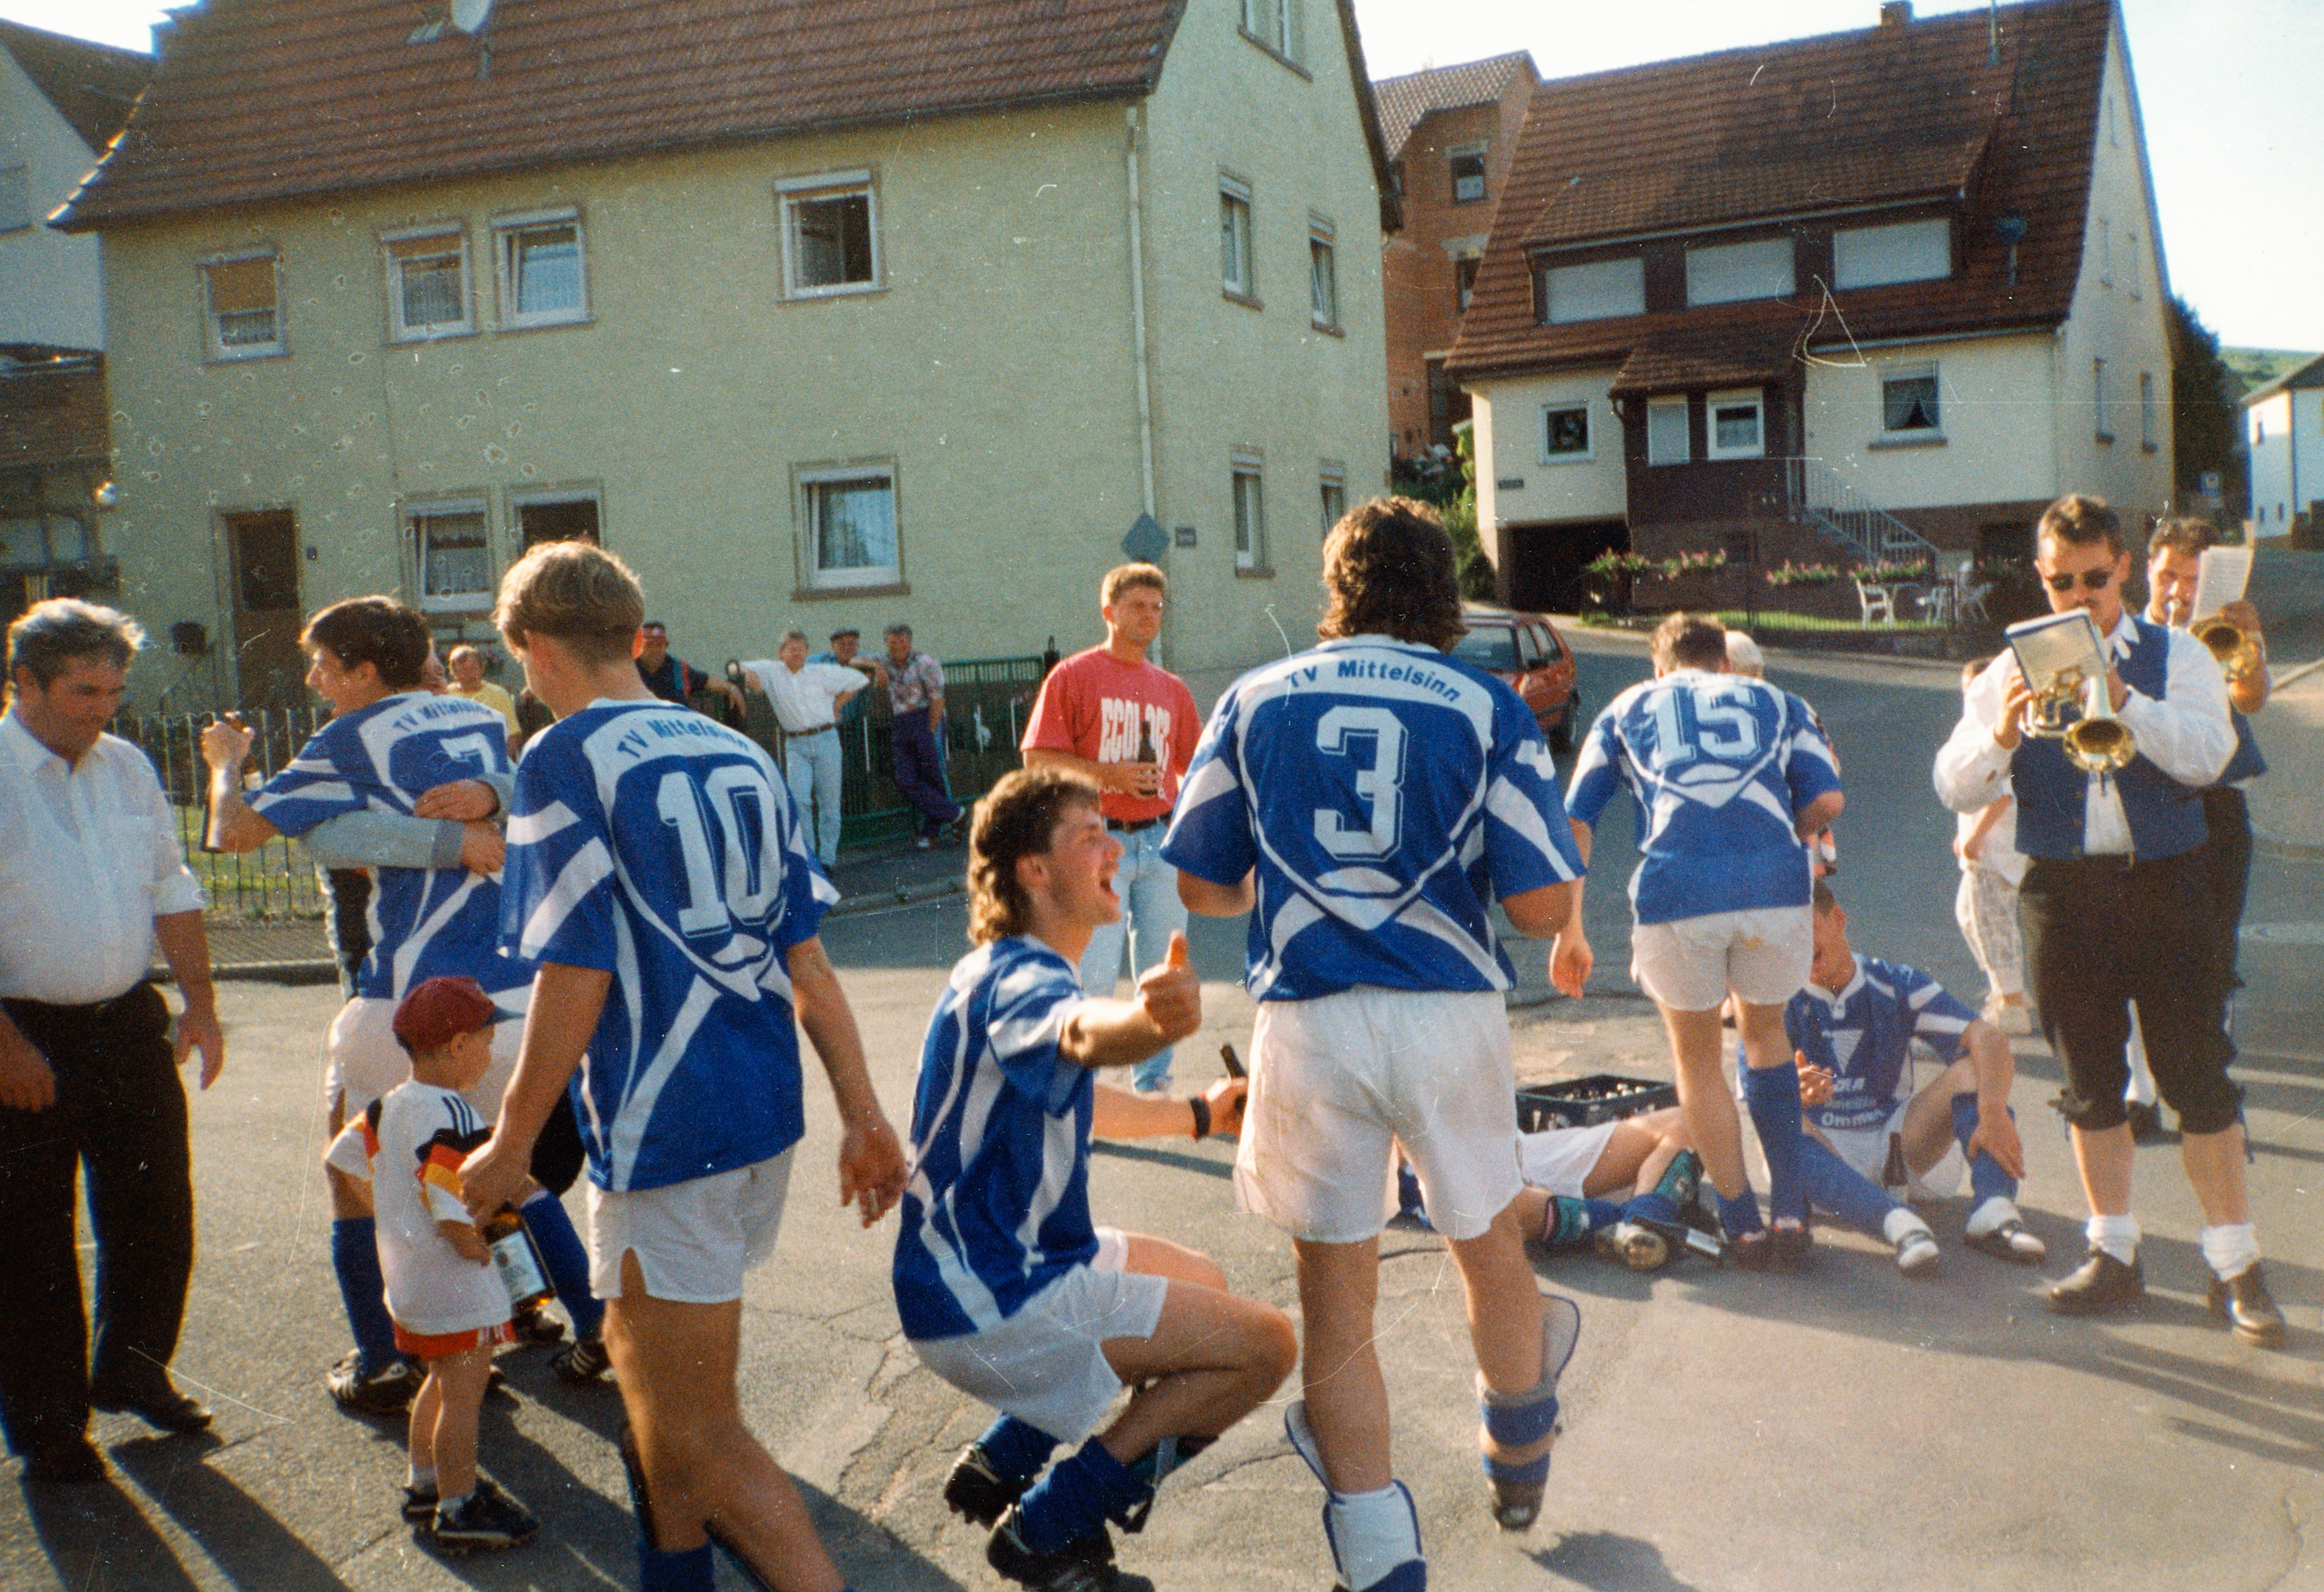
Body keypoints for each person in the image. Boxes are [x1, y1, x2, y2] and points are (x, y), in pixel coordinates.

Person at [457, 539, 908, 1592]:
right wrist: (862, 1112)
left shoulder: (560, 757)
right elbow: (808, 961)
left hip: (667, 1132)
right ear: (629, 632)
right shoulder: (737, 750)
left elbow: (576, 977)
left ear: (529, 645)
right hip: (760, 1119)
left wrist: (512, 1145)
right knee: (641, 1366)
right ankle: (677, 1574)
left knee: (697, 1426)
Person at [1164, 497, 1587, 1592]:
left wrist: (1307, 882)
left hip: (1310, 1014)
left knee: (1335, 1299)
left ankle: (1378, 1550)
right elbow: (1542, 907)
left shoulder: (1255, 694)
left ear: (1337, 587)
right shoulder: (1485, 702)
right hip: (1445, 1010)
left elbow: (1203, 885)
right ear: (1441, 587)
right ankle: (1520, 1447)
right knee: (1487, 1242)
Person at [895, 768, 1295, 1592]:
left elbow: (1079, 1092)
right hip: (987, 1299)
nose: (1115, 845)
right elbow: (1078, 1035)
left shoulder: (1002, 967)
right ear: (1033, 870)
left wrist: (1194, 1112)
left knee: (1199, 1283)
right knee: (1264, 1346)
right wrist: (1148, 1023)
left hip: (985, 1275)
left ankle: (1003, 1458)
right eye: (1088, 834)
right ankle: (1047, 1528)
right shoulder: (1024, 979)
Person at [201, 597, 597, 1414]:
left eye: (323, 665)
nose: (314, 681)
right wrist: (472, 815)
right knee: (504, 1168)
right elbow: (512, 792)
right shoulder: (473, 719)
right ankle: (596, 1329)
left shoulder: (347, 737)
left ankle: (386, 1356)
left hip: (412, 1001)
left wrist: (225, 761)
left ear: (364, 670)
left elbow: (232, 833)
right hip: (514, 992)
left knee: (352, 1174)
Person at [1933, 494, 2280, 1345]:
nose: (2078, 597)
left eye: (2094, 579)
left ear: (2123, 568)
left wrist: (2124, 698)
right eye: (2060, 582)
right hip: (2062, 887)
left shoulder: (2179, 654)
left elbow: (2212, 756)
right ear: (2042, 577)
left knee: (2196, 1077)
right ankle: (2112, 1252)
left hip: (2168, 880)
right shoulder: (2011, 665)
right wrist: (2003, 738)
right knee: (2091, 1084)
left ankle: (2233, 1264)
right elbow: (1952, 785)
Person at [0, 599, 225, 1486]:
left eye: (114, 690)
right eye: (84, 690)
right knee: (28, 1242)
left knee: (157, 1209)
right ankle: (50, 1424)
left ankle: (133, 1371)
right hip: (22, 1032)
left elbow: (171, 886)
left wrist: (201, 1004)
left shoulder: (125, 764)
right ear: (24, 683)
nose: (103, 708)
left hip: (126, 1021)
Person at [1554, 612, 1844, 1266]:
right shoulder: (1779, 701)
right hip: (1775, 892)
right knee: (1767, 1038)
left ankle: (1742, 1221)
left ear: (1659, 668)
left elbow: (1576, 817)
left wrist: (1570, 926)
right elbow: (1827, 801)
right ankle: (1791, 1210)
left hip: (1676, 893)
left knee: (1698, 1059)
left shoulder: (1628, 706)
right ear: (1724, 665)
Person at [326, 976, 539, 1552]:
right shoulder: (456, 1113)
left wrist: (390, 1216)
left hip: (411, 1281)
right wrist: (473, 1247)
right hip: (457, 1285)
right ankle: (459, 1502)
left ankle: (424, 1482)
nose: (493, 1053)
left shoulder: (386, 1105)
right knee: (465, 1397)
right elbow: (452, 1203)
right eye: (489, 1041)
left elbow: (342, 1157)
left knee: (439, 1383)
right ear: (458, 1045)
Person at [1784, 881, 2044, 1275]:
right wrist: (1791, 1090)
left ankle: (1993, 1210)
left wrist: (1992, 1113)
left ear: (1836, 919)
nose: (1799, 948)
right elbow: (1754, 1091)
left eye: (1806, 930)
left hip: (1899, 1146)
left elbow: (1987, 1038)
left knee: (1973, 1069)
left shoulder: (1894, 983)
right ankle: (1898, 1224)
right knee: (1777, 1116)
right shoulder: (1776, 999)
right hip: (1824, 1155)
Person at [1020, 562, 1201, 1096]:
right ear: (1110, 612)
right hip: (1097, 844)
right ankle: (1081, 1093)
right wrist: (1108, 776)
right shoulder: (1074, 675)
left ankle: (1153, 1085)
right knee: (1092, 974)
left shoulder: (1171, 688)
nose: (1149, 616)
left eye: (1156, 608)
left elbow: (1195, 766)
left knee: (1161, 974)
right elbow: (1037, 759)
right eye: (1137, 606)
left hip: (1161, 842)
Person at [2122, 517, 2271, 1140]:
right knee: (2135, 954)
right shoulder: (2129, 636)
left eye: (2191, 579)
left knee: (2212, 956)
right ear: (2146, 570)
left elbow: (2252, 699)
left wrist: (2252, 643)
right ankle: (2140, 1089)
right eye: (2167, 575)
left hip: (2214, 808)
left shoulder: (2220, 628)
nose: (2178, 590)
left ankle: (2208, 1081)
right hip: (2146, 804)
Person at [1401, 1107, 1711, 1273]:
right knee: (1495, 1211)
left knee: (1689, 1121)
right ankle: (1627, 1224)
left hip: (1518, 1146)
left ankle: (1643, 1218)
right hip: (1440, 1171)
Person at [740, 629, 870, 871]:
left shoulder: (820, 673)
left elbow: (860, 680)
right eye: (792, 648)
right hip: (796, 744)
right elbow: (737, 667)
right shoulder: (772, 671)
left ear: (808, 652)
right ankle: (810, 860)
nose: (798, 653)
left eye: (802, 648)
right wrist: (750, 679)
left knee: (830, 803)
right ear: (781, 653)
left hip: (826, 739)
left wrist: (836, 705)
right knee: (799, 800)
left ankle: (828, 858)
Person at [1950, 659, 2033, 1037]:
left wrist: (1975, 836)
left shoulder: (2006, 732)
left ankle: (2011, 1002)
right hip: (1986, 843)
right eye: (1968, 687)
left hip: (1996, 847)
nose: (1972, 693)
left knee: (1991, 921)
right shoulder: (1979, 729)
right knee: (1968, 913)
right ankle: (2007, 989)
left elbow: (2003, 793)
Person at [882, 622, 963, 848]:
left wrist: (930, 730)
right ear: (887, 644)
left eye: (903, 641)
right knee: (905, 779)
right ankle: (956, 814)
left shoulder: (925, 662)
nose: (899, 646)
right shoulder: (884, 662)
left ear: (910, 641)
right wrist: (876, 667)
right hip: (901, 721)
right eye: (893, 642)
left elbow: (938, 699)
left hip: (926, 718)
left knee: (932, 775)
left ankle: (931, 833)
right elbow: (856, 660)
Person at [636, 619, 744, 716]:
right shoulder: (631, 669)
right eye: (649, 646)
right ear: (640, 647)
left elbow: (707, 680)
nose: (655, 651)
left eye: (659, 645)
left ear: (665, 646)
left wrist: (732, 689)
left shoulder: (678, 668)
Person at [445, 645, 519, 745]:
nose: (469, 674)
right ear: (454, 672)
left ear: (481, 669)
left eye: (473, 668)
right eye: (463, 669)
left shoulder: (498, 694)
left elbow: (513, 734)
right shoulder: (446, 695)